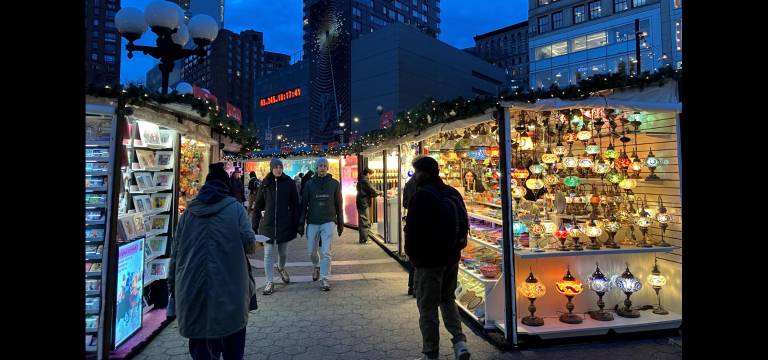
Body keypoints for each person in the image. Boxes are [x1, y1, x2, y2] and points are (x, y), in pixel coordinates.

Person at [168, 162, 257, 360]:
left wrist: (172, 286)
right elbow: (250, 244)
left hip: (193, 290)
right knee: (233, 345)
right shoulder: (235, 209)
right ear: (226, 187)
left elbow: (175, 253)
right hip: (231, 290)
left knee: (202, 349)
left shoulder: (188, 213)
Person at [405, 156, 471, 360]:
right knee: (448, 299)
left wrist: (412, 256)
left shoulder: (421, 196)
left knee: (427, 308)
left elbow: (413, 231)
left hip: (428, 262)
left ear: (423, 173)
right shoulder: (452, 192)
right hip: (451, 258)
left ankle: (431, 352)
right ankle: (460, 343)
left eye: (417, 172)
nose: (415, 176)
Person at [251, 158, 300, 295]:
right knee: (267, 254)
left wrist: (297, 224)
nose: (278, 169)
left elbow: (295, 205)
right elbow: (258, 206)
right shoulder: (265, 183)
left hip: (284, 224)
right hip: (268, 224)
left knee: (283, 253)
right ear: (271, 168)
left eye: (280, 167)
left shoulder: (289, 183)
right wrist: (254, 226)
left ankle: (281, 267)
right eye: (276, 167)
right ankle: (269, 282)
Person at [299, 157, 343, 291]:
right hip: (313, 221)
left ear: (327, 168)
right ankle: (317, 265)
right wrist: (301, 222)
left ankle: (324, 278)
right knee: (311, 251)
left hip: (328, 221)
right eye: (320, 166)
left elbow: (339, 203)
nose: (322, 168)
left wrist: (340, 222)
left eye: (324, 166)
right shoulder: (309, 184)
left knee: (326, 251)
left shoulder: (334, 184)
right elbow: (304, 204)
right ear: (316, 168)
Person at [402, 174, 420, 297]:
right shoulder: (428, 186)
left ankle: (412, 286)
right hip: (424, 225)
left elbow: (404, 203)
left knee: (413, 257)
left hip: (412, 221)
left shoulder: (408, 184)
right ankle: (417, 287)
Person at [356, 168, 381, 244]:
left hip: (361, 202)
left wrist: (376, 193)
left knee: (363, 220)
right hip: (363, 203)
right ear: (367, 174)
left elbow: (368, 192)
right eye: (370, 175)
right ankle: (364, 239)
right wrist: (380, 192)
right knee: (364, 220)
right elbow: (372, 190)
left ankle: (363, 238)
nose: (370, 176)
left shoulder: (361, 180)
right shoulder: (364, 181)